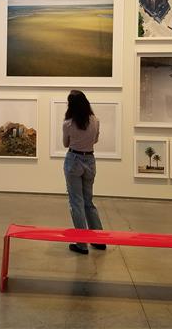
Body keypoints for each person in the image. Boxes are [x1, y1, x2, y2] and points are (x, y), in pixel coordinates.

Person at [62, 90, 105, 254]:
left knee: (76, 202)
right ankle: (99, 240)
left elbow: (66, 144)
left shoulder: (68, 123)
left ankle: (81, 244)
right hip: (90, 160)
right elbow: (95, 140)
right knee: (89, 201)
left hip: (74, 160)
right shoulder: (95, 120)